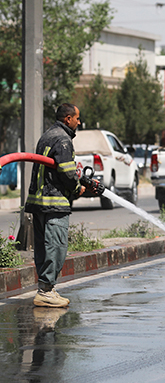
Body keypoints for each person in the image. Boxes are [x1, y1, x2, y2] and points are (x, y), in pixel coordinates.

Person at [25, 103, 86, 307]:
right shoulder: (63, 139)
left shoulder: (47, 135)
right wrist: (77, 189)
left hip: (40, 203)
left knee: (43, 247)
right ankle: (46, 291)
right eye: (77, 118)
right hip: (55, 204)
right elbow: (68, 173)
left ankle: (46, 289)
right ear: (68, 119)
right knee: (57, 247)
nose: (79, 122)